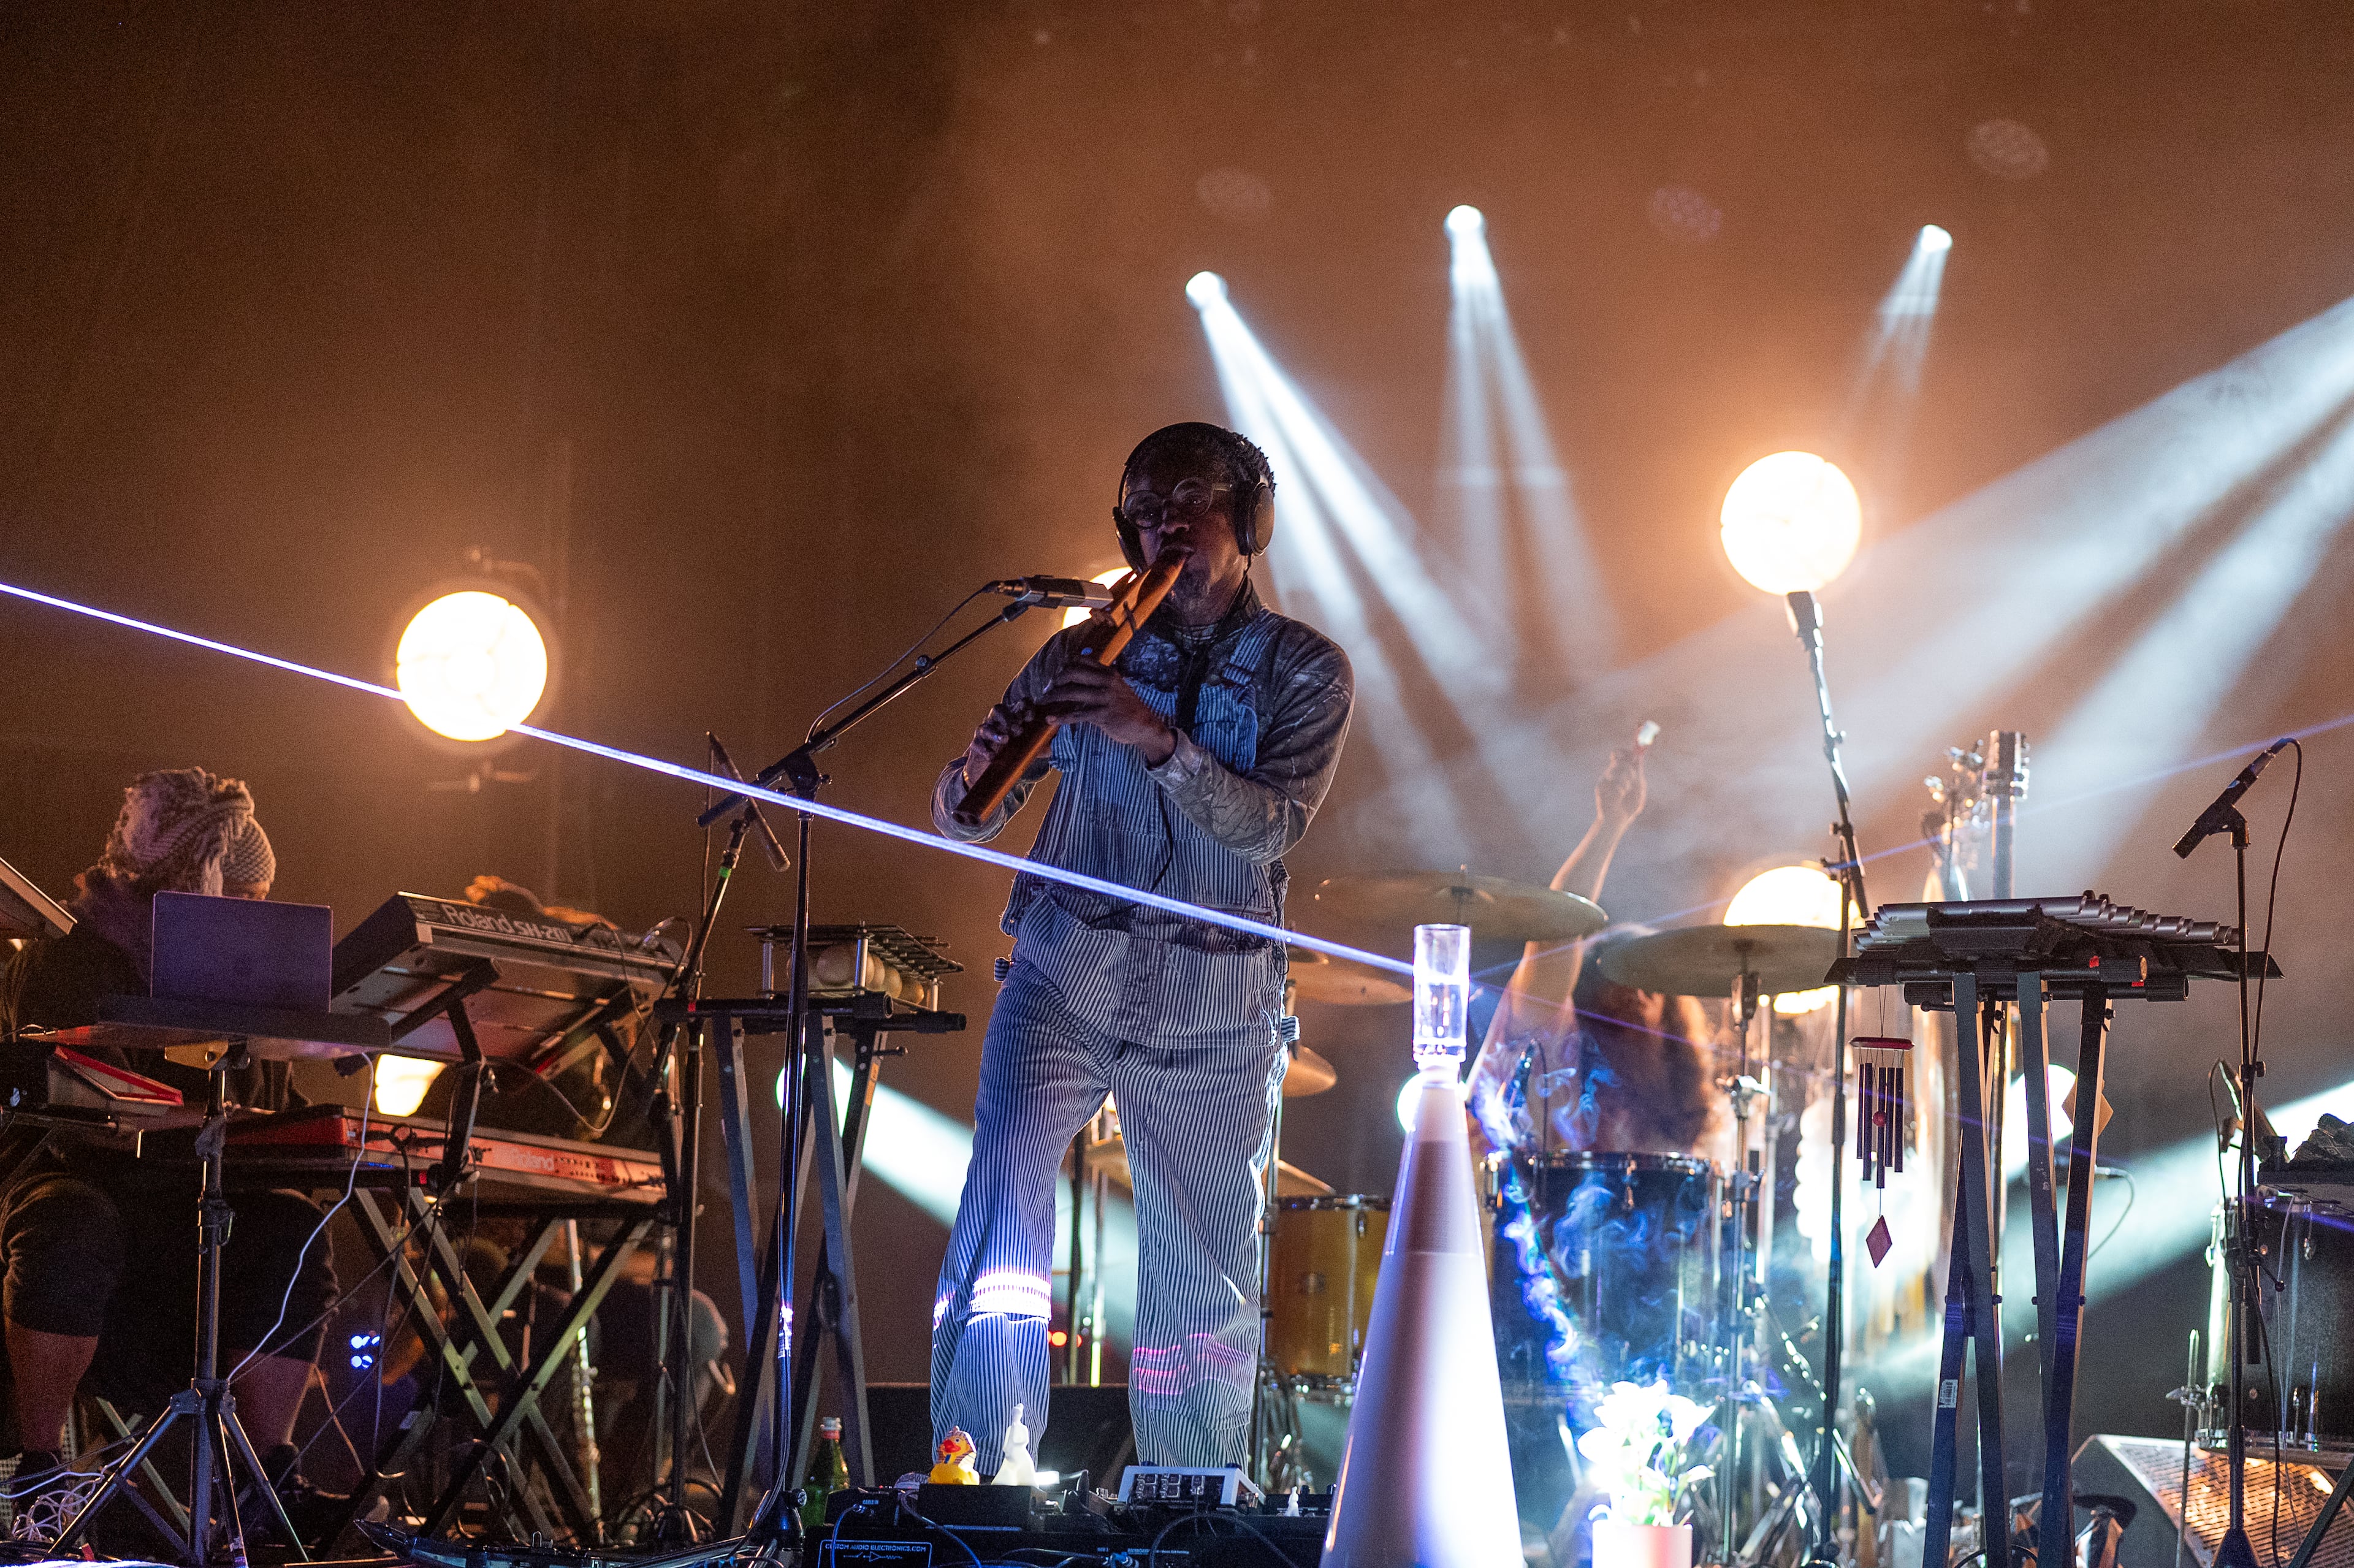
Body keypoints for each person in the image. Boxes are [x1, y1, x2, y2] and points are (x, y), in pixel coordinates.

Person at [929, 422, 1353, 1471]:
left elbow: (1269, 826)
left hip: (1214, 1002)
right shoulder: (1082, 648)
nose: (1170, 524)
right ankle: (977, 1470)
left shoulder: (1305, 668)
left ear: (1249, 522)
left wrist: (1153, 735)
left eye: (1194, 501)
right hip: (1064, 974)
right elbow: (967, 816)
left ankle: (1186, 1496)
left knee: (1200, 1268)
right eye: (1150, 509)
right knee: (1000, 1209)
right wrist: (975, 777)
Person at [0, 769, 337, 1539]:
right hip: (73, 1183)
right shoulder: (67, 960)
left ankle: (266, 1482)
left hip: (188, 1216)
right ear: (195, 883)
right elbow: (79, 1107)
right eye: (243, 898)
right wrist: (215, 1117)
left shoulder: (245, 984)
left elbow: (268, 1122)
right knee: (71, 1218)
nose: (255, 919)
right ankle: (38, 1471)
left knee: (290, 1223)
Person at [1468, 738, 1728, 1164]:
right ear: (1587, 983)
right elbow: (1557, 930)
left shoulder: (1681, 1109)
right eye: (1621, 977)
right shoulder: (1555, 1044)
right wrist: (1611, 825)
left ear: (1672, 1013)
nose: (1636, 994)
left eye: (1651, 985)